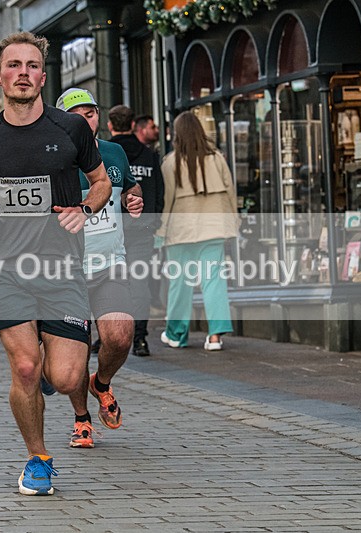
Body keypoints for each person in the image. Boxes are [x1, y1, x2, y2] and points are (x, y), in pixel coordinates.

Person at [0, 32, 111, 496]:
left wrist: (85, 208)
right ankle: (38, 460)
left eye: (32, 65)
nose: (24, 73)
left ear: (43, 75)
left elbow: (99, 183)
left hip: (62, 270)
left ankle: (51, 371)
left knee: (64, 377)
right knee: (24, 368)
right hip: (5, 270)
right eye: (14, 65)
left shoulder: (71, 130)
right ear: (0, 77)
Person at [54, 88, 142, 449]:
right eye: (76, 115)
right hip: (66, 270)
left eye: (89, 113)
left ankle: (101, 384)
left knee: (121, 335)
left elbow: (129, 191)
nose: (84, 120)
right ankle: (81, 419)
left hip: (110, 264)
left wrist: (132, 200)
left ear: (98, 117)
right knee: (72, 354)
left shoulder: (114, 152)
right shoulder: (51, 158)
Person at [156, 111, 239, 351]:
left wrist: (160, 231)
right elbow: (230, 192)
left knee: (179, 283)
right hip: (214, 228)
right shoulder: (216, 158)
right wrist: (234, 220)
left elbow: (167, 201)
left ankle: (177, 334)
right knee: (213, 281)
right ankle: (215, 337)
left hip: (180, 231)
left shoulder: (170, 163)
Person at [108, 104, 165, 357]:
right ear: (133, 125)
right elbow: (160, 193)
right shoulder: (149, 155)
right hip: (142, 228)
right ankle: (139, 337)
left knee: (108, 283)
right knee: (140, 283)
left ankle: (108, 336)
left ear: (110, 125)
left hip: (110, 229)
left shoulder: (104, 154)